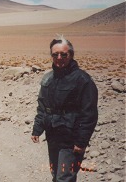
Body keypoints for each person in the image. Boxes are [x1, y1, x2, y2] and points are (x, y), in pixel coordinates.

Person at [31, 35, 98, 182]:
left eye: (63, 54)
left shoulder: (82, 80)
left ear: (71, 55)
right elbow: (43, 107)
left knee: (65, 177)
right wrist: (37, 129)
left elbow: (89, 114)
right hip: (53, 136)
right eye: (55, 54)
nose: (59, 57)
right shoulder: (48, 78)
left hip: (70, 139)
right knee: (56, 174)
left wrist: (81, 142)